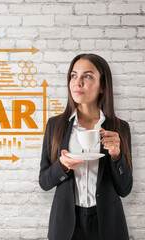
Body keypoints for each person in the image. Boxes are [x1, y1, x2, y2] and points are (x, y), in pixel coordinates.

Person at [39, 53, 132, 240]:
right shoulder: (55, 125)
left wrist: (116, 156)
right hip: (66, 225)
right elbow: (44, 182)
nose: (77, 82)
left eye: (87, 76)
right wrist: (62, 166)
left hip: (108, 224)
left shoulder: (119, 128)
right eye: (74, 75)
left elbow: (125, 189)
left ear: (103, 87)